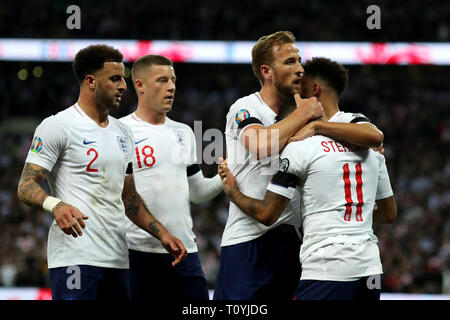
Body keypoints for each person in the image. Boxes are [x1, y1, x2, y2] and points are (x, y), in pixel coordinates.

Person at [16, 45, 187, 300]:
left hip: (118, 260)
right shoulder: (57, 126)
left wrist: (162, 233)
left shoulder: (124, 133)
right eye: (115, 79)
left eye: (124, 79)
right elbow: (26, 185)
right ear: (90, 81)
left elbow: (129, 199)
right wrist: (55, 204)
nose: (123, 86)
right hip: (75, 258)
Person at [218, 57, 397, 300]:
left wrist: (232, 192)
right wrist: (345, 212)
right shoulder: (369, 144)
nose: (294, 96)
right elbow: (388, 213)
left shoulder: (302, 145)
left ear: (314, 91)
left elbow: (267, 214)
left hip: (325, 268)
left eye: (299, 90)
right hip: (370, 270)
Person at [120, 55, 223, 300]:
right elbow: (124, 197)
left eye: (174, 80)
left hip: (185, 251)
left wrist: (225, 179)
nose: (172, 87)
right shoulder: (120, 131)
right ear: (140, 85)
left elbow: (197, 192)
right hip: (137, 253)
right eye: (163, 80)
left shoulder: (184, 132)